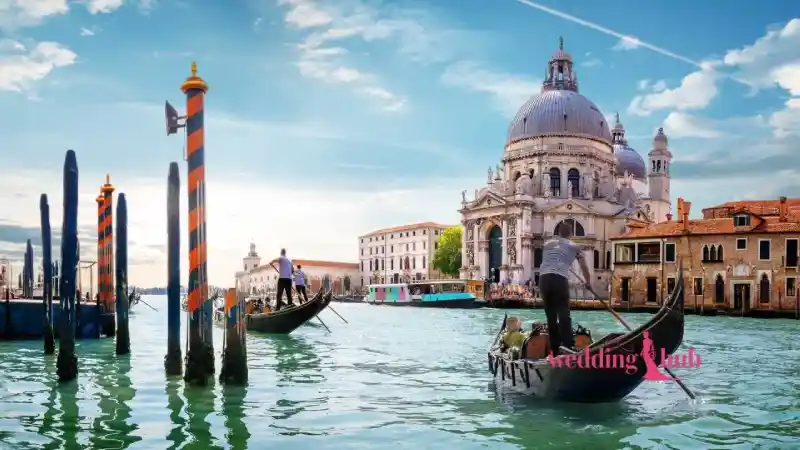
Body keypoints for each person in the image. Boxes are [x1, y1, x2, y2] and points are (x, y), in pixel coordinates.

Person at [539, 222, 592, 356]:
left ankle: (555, 349)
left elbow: (551, 260)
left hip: (544, 279)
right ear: (570, 234)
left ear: (558, 233)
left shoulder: (547, 245)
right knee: (563, 314)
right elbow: (584, 267)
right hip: (558, 279)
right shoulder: (574, 246)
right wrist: (588, 282)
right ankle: (568, 346)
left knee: (551, 315)